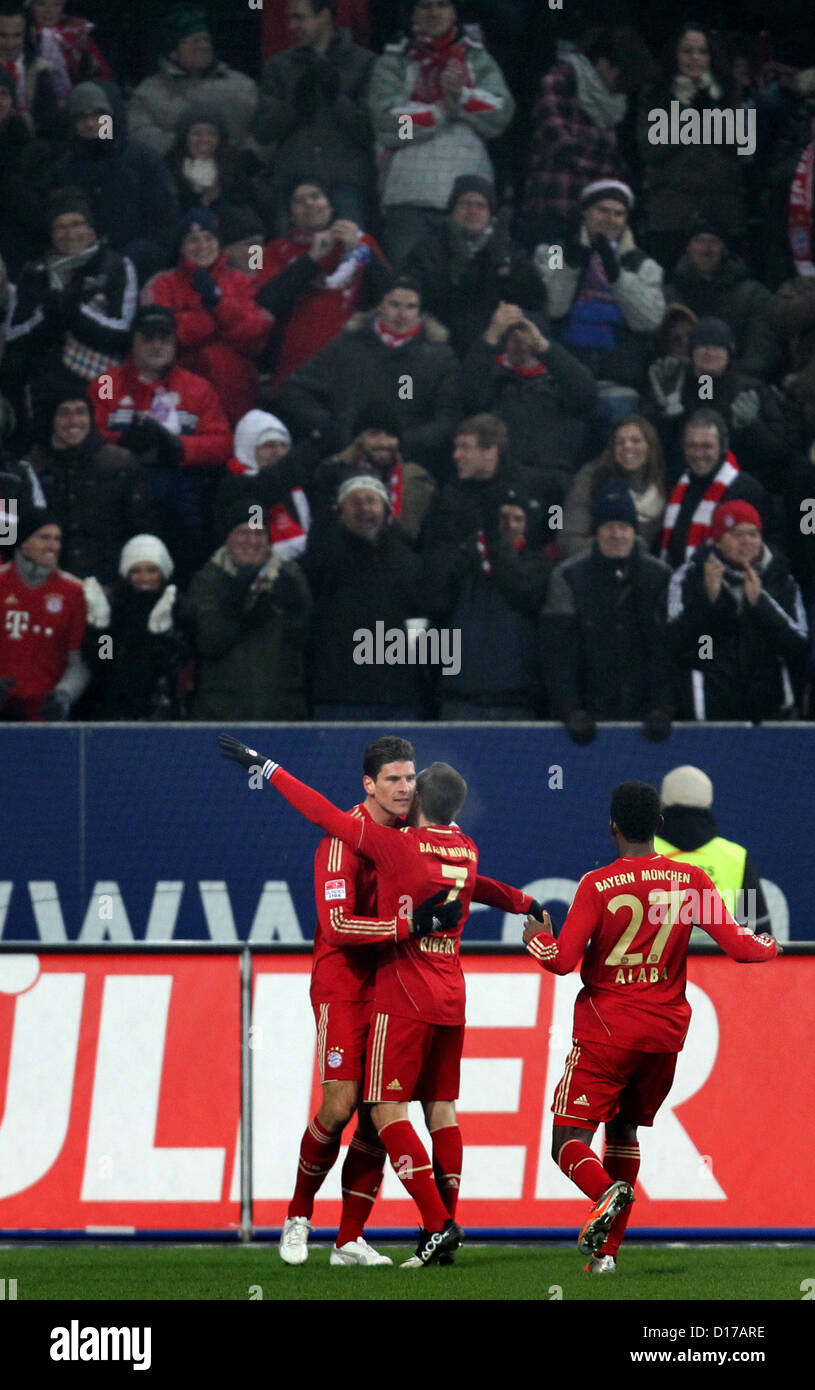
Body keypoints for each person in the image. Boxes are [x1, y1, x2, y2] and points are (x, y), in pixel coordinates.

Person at [216, 738, 489, 1265]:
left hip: (392, 978)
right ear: (369, 784)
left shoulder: (415, 835)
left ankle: (348, 1240)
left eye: (410, 778)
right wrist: (409, 925)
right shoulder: (343, 841)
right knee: (340, 1106)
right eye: (393, 779)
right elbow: (338, 928)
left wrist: (516, 900)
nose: (405, 788)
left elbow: (469, 879)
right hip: (344, 981)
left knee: (376, 1114)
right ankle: (297, 1218)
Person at [522, 780, 778, 1272]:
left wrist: (537, 938)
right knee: (624, 1132)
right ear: (659, 825)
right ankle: (607, 1255)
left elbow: (562, 962)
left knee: (567, 1141)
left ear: (612, 826)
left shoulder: (597, 885)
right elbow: (742, 947)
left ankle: (605, 1191)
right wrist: (772, 947)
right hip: (662, 1039)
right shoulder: (692, 880)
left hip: (607, 1032)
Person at [90, 304, 232, 581]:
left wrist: (180, 448)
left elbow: (223, 444)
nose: (156, 345)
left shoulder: (198, 387)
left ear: (175, 342)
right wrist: (122, 443)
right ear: (133, 341)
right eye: (147, 337)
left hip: (181, 492)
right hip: (120, 493)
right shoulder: (107, 382)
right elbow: (88, 434)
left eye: (164, 338)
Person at [368, 0, 515, 267]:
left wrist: (461, 98)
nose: (434, 13)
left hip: (468, 196)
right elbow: (387, 124)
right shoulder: (393, 60)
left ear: (454, 12)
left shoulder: (478, 58)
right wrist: (440, 112)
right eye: (425, 6)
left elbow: (501, 115)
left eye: (441, 5)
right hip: (408, 195)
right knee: (407, 283)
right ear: (412, 13)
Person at [276, 276, 460, 473]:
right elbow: (295, 389)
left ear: (420, 311)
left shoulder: (439, 358)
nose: (402, 314)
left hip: (407, 465)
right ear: (380, 304)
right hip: (347, 459)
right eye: (394, 304)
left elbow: (448, 417)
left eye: (411, 307)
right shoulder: (346, 347)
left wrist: (405, 441)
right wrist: (331, 428)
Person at [541, 480, 673, 745]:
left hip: (647, 721)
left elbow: (667, 650)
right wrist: (571, 711)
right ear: (596, 533)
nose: (616, 534)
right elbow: (558, 654)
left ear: (634, 532)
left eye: (623, 527)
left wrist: (664, 707)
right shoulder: (568, 577)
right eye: (608, 526)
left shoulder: (660, 577)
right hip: (587, 722)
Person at [534, 180, 666, 441]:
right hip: (564, 383)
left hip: (618, 387)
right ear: (585, 212)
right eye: (603, 210)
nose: (611, 219)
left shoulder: (642, 263)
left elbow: (649, 320)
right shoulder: (556, 250)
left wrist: (617, 275)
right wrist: (573, 261)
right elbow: (552, 305)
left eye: (619, 213)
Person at [667, 499, 808, 721]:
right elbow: (677, 648)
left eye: (753, 534)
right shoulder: (689, 577)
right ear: (718, 541)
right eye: (736, 534)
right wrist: (709, 603)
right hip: (709, 715)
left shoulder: (781, 579)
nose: (747, 542)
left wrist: (762, 605)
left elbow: (798, 647)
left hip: (771, 716)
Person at [2, 189, 137, 417]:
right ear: (52, 233)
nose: (70, 233)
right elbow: (14, 333)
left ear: (91, 229)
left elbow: (122, 332)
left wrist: (74, 312)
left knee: (106, 418)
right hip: (48, 373)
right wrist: (46, 315)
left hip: (103, 373)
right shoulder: (34, 272)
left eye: (76, 224)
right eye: (60, 226)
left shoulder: (116, 266)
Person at [303, 474, 425, 719]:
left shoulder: (408, 561)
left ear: (385, 509)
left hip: (396, 696)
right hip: (339, 696)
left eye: (371, 500)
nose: (364, 509)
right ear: (341, 510)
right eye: (355, 501)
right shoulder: (324, 557)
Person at [12, 384, 158, 586]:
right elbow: (12, 534)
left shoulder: (121, 463)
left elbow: (143, 530)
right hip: (47, 583)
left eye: (81, 412)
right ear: (51, 419)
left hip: (109, 582)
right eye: (64, 413)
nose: (73, 421)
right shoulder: (30, 468)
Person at [254, 180, 391, 391]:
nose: (309, 203)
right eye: (299, 201)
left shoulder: (364, 242)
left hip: (354, 363)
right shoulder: (274, 250)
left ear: (330, 204)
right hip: (296, 365)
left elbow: (390, 296)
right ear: (290, 213)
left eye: (316, 196)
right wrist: (311, 259)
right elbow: (265, 303)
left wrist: (360, 251)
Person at [141, 207, 273, 425]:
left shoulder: (243, 278)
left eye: (209, 238)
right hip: (179, 393)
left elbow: (254, 334)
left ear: (219, 243)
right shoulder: (162, 283)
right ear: (181, 246)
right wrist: (215, 314)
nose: (202, 247)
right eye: (193, 240)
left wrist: (218, 302)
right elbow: (165, 336)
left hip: (236, 395)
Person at [253, 0, 375, 230]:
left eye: (300, 17)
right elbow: (262, 131)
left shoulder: (364, 63)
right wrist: (296, 104)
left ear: (325, 16)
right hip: (292, 184)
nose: (292, 26)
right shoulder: (278, 67)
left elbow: (369, 131)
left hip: (346, 183)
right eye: (290, 18)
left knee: (351, 262)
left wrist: (335, 98)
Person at [637, 23, 748, 271]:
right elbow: (649, 148)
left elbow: (743, 148)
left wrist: (714, 115)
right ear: (675, 55)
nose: (695, 58)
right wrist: (690, 118)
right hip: (671, 213)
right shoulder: (656, 93)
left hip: (722, 213)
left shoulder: (729, 92)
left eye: (702, 51)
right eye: (687, 51)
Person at [187, 499, 311, 721]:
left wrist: (295, 610)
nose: (252, 542)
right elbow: (209, 642)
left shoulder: (289, 576)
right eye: (243, 533)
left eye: (260, 533)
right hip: (223, 711)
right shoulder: (208, 580)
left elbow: (306, 641)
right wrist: (234, 602)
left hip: (281, 711)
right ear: (228, 538)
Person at [522, 27, 646, 245]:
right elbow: (559, 143)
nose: (621, 83)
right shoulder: (557, 80)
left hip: (593, 219)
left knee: (591, 277)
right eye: (620, 73)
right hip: (554, 208)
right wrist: (607, 169)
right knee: (552, 269)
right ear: (603, 63)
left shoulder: (614, 101)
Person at [49, 80, 179, 283]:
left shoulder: (143, 160)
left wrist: (129, 260)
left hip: (141, 269)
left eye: (97, 115)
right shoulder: (64, 168)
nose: (91, 123)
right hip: (80, 269)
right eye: (82, 117)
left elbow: (164, 221)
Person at [404, 173, 546, 358]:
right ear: (452, 209)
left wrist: (504, 268)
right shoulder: (429, 247)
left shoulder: (507, 249)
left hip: (496, 342)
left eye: (480, 206)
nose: (473, 211)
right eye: (465, 204)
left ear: (490, 213)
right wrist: (457, 272)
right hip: (441, 338)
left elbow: (536, 298)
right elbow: (413, 293)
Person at [460, 302, 597, 493]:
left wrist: (544, 348)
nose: (522, 345)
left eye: (527, 338)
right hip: (499, 481)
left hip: (551, 482)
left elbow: (587, 394)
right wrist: (491, 336)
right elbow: (469, 397)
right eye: (514, 338)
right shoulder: (493, 377)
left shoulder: (560, 381)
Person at [647, 317, 793, 494]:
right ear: (692, 351)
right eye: (702, 345)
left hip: (739, 486)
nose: (709, 352)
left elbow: (779, 452)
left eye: (717, 346)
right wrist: (668, 414)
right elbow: (653, 444)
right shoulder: (673, 383)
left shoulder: (752, 389)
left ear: (729, 352)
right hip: (683, 484)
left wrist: (752, 427)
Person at [655, 765, 771, 939]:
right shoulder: (736, 858)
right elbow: (760, 936)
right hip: (720, 966)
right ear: (708, 802)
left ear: (662, 802)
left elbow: (616, 929)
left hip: (654, 965)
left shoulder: (638, 852)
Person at [81, 533, 190, 720]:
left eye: (152, 569)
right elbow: (102, 664)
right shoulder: (117, 608)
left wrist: (162, 635)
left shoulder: (179, 607)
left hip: (163, 714)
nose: (144, 577)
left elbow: (175, 667)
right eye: (136, 570)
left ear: (163, 572)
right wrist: (100, 629)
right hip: (115, 713)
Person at [127, 6, 258, 158]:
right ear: (173, 52)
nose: (204, 46)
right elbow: (139, 133)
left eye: (206, 40)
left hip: (237, 173)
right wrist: (190, 149)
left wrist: (248, 156)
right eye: (194, 41)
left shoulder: (243, 85)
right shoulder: (149, 92)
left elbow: (264, 129)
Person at [664, 217, 781, 381]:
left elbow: (761, 353)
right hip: (681, 385)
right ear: (688, 248)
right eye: (699, 241)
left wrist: (722, 375)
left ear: (724, 250)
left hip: (737, 384)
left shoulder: (753, 295)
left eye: (714, 242)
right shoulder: (668, 296)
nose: (706, 249)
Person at [0, 505, 87, 720]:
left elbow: (81, 661)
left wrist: (64, 695)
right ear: (24, 542)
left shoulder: (75, 592)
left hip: (44, 714)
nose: (53, 546)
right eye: (44, 537)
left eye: (57, 539)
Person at [659, 409, 770, 569]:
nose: (698, 454)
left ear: (722, 447)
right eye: (692, 446)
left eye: (706, 446)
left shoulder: (747, 489)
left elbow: (766, 545)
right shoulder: (676, 485)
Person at [311, 401, 435, 543]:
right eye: (374, 434)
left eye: (390, 435)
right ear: (359, 438)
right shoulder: (332, 473)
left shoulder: (419, 480)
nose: (383, 443)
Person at [560, 415, 667, 560]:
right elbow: (568, 542)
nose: (627, 446)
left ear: (650, 446)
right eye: (619, 442)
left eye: (636, 440)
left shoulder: (664, 484)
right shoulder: (591, 478)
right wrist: (617, 547)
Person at [215, 408, 316, 561]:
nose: (278, 452)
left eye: (284, 445)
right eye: (268, 445)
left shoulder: (298, 487)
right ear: (248, 448)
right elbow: (265, 488)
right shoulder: (235, 485)